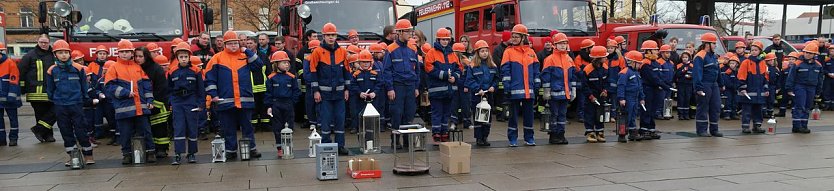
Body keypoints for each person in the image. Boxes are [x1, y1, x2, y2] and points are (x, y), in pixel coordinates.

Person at [205, 31, 264, 160]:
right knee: (228, 127)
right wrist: (213, 95)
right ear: (225, 45)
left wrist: (247, 51)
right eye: (230, 44)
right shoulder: (217, 58)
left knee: (247, 127)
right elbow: (209, 78)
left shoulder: (245, 56)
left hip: (244, 99)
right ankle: (231, 150)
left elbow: (258, 64)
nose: (233, 46)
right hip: (225, 100)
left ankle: (251, 149)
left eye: (235, 43)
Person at [47, 40, 95, 166]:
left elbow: (84, 86)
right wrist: (54, 99)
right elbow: (50, 88)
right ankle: (73, 156)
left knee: (81, 129)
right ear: (55, 55)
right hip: (60, 105)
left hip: (76, 103)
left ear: (70, 54)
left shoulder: (78, 68)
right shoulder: (52, 70)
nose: (63, 55)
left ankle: (88, 155)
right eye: (60, 53)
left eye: (65, 52)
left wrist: (84, 99)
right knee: (65, 130)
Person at [308, 23, 351, 155]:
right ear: (324, 36)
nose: (331, 38)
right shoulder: (317, 52)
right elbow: (313, 72)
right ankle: (326, 145)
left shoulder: (342, 52)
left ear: (336, 36)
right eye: (328, 35)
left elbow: (347, 72)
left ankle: (340, 145)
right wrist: (315, 91)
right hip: (324, 95)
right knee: (325, 121)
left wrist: (347, 89)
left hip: (339, 94)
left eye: (333, 35)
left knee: (340, 119)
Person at [383, 19, 420, 149]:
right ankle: (395, 141)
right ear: (399, 32)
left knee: (409, 114)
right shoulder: (391, 49)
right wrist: (390, 88)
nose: (410, 34)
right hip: (397, 86)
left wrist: (416, 87)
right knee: (396, 114)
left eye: (411, 31)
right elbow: (386, 70)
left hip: (410, 86)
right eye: (407, 31)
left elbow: (417, 70)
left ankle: (406, 141)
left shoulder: (413, 48)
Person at [501, 24, 540, 147]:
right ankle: (512, 138)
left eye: (516, 36)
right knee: (513, 116)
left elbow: (536, 71)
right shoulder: (508, 52)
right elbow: (505, 71)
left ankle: (529, 138)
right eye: (513, 36)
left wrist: (537, 84)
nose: (514, 39)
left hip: (529, 90)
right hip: (514, 90)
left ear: (523, 37)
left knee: (529, 116)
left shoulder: (532, 52)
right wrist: (507, 87)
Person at [167, 42, 203, 165]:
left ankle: (191, 153)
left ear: (189, 57)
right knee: (179, 127)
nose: (183, 59)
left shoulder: (196, 70)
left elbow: (200, 89)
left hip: (191, 100)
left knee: (192, 127)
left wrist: (200, 104)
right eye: (181, 57)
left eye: (185, 57)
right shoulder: (172, 71)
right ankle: (178, 154)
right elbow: (169, 88)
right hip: (178, 101)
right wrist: (171, 102)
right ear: (177, 58)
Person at [424, 28, 461, 143]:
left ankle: (444, 132)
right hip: (437, 90)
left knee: (446, 113)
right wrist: (445, 75)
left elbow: (459, 68)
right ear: (438, 39)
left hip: (450, 90)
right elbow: (429, 68)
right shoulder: (431, 53)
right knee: (437, 112)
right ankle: (436, 133)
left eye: (447, 39)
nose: (445, 41)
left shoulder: (453, 54)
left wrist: (454, 77)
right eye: (443, 39)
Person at [19, 35, 57, 143]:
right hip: (35, 91)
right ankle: (47, 136)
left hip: (51, 90)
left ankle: (39, 130)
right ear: (38, 42)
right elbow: (21, 72)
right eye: (41, 42)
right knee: (40, 114)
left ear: (49, 42)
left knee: (55, 111)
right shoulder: (30, 56)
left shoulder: (53, 55)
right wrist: (22, 87)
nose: (43, 44)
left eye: (45, 42)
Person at [136, 46, 171, 159]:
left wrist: (155, 104)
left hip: (158, 104)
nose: (138, 59)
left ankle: (162, 149)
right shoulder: (136, 68)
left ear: (146, 56)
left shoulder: (156, 69)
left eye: (140, 56)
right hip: (142, 104)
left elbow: (162, 88)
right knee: (147, 129)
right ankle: (150, 149)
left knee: (159, 128)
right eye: (136, 56)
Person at [265, 51, 301, 158]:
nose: (287, 64)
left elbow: (296, 91)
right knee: (277, 127)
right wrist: (269, 106)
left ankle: (288, 146)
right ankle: (279, 148)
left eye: (287, 63)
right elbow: (268, 93)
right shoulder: (271, 78)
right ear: (276, 64)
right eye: (284, 62)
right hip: (276, 104)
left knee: (289, 127)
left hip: (288, 104)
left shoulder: (291, 77)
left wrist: (292, 102)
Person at [541, 33, 574, 145]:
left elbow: (572, 76)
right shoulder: (549, 59)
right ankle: (553, 135)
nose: (563, 45)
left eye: (565, 43)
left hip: (565, 93)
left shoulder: (569, 59)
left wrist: (573, 90)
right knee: (554, 114)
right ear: (555, 45)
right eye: (560, 43)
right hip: (554, 93)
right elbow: (546, 76)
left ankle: (561, 134)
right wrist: (547, 92)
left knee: (562, 115)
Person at [786, 43, 825, 134]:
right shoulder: (798, 64)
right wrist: (789, 89)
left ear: (814, 55)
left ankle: (804, 125)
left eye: (810, 53)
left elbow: (820, 80)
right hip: (800, 86)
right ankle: (796, 126)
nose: (807, 54)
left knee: (807, 107)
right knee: (800, 106)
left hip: (811, 88)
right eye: (806, 52)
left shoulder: (818, 66)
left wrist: (818, 91)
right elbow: (791, 77)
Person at [692, 33, 725, 137]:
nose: (715, 46)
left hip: (714, 84)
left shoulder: (714, 56)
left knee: (716, 106)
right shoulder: (700, 56)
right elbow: (697, 73)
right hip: (704, 84)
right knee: (703, 107)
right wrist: (699, 88)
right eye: (714, 43)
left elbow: (718, 71)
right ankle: (701, 130)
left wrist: (721, 83)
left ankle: (714, 129)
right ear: (707, 44)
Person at [466, 40, 497, 146]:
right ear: (477, 53)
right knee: (478, 118)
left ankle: (485, 137)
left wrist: (493, 86)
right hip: (477, 96)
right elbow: (469, 80)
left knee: (487, 118)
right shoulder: (473, 66)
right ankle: (479, 138)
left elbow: (496, 79)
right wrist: (477, 89)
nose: (484, 53)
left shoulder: (492, 65)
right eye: (482, 51)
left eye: (486, 51)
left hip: (488, 95)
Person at [350, 50, 383, 143]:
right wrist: (359, 93)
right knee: (360, 121)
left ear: (371, 62)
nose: (365, 64)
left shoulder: (375, 73)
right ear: (359, 62)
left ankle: (372, 141)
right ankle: (361, 142)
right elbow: (353, 85)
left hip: (373, 101)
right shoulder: (356, 74)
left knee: (372, 122)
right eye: (363, 62)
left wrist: (375, 93)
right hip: (360, 101)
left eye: (367, 62)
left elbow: (380, 84)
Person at [738, 42, 771, 134]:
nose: (753, 52)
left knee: (758, 110)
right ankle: (745, 126)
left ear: (760, 51)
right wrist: (742, 88)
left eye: (756, 50)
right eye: (752, 50)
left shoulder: (763, 63)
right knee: (747, 111)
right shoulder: (746, 62)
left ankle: (757, 126)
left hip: (759, 92)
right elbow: (741, 76)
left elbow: (765, 77)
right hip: (748, 92)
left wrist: (766, 89)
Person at [638, 40, 668, 140]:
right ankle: (644, 130)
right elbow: (653, 78)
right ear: (649, 51)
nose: (657, 51)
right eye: (655, 50)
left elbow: (659, 76)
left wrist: (662, 84)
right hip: (648, 89)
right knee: (647, 109)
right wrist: (664, 85)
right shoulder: (646, 63)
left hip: (655, 89)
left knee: (652, 110)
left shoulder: (655, 62)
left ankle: (651, 129)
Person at [580, 46, 610, 143]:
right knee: (590, 114)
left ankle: (599, 131)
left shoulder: (605, 68)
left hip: (601, 96)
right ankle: (590, 132)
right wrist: (590, 96)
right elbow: (584, 85)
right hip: (590, 97)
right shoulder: (587, 70)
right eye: (604, 56)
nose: (606, 58)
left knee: (600, 114)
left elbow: (607, 81)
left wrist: (605, 90)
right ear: (598, 58)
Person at [618, 51, 646, 142]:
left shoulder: (637, 73)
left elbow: (640, 87)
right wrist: (621, 98)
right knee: (625, 117)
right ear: (633, 62)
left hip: (635, 98)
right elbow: (621, 86)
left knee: (633, 116)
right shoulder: (625, 72)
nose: (639, 65)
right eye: (638, 63)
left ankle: (632, 133)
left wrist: (642, 98)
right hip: (628, 98)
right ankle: (622, 135)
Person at [0, 42, 21, 147]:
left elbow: (14, 80)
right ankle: (1, 140)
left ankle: (13, 139)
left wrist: (11, 96)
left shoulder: (10, 63)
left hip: (10, 99)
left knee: (13, 120)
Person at [451, 42, 472, 130]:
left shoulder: (467, 63)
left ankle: (467, 122)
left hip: (464, 87)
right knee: (454, 105)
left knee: (466, 105)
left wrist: (467, 86)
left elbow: (469, 76)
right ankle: (454, 122)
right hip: (455, 86)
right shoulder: (452, 61)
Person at [573, 39, 595, 122]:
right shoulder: (579, 58)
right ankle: (581, 116)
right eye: (592, 47)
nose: (593, 48)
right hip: (581, 83)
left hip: (590, 83)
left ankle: (587, 115)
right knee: (582, 101)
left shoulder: (592, 57)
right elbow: (578, 71)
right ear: (587, 48)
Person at [302, 40, 321, 130]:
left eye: (315, 48)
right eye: (312, 49)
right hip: (310, 86)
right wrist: (313, 82)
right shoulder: (307, 59)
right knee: (310, 104)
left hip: (320, 85)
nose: (314, 50)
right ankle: (312, 122)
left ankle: (320, 122)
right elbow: (306, 73)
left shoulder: (322, 58)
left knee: (320, 105)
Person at [492, 31, 511, 122]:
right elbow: (498, 62)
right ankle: (499, 115)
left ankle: (506, 114)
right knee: (500, 96)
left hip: (508, 76)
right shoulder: (497, 50)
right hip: (500, 76)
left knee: (506, 97)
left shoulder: (510, 48)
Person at [607, 40, 625, 122]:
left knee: (614, 101)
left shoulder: (620, 59)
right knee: (606, 100)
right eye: (608, 48)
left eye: (611, 48)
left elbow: (622, 71)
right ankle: (606, 115)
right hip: (606, 83)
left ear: (615, 48)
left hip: (615, 83)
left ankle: (613, 116)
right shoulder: (605, 58)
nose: (610, 50)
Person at [658, 45, 676, 120]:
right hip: (662, 84)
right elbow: (658, 74)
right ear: (662, 53)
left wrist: (673, 82)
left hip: (669, 84)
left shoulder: (671, 63)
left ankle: (667, 113)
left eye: (669, 53)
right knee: (660, 99)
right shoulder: (659, 62)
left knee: (668, 99)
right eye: (666, 53)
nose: (668, 54)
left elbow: (673, 73)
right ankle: (658, 113)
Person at [675, 52, 695, 120]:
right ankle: (680, 114)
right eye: (683, 57)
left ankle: (686, 114)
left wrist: (690, 76)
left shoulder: (692, 65)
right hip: (681, 84)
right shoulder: (679, 65)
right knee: (681, 99)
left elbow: (695, 74)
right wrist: (683, 71)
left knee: (687, 99)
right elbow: (676, 75)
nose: (685, 59)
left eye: (686, 57)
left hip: (689, 84)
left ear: (689, 58)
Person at [722, 55, 740, 121]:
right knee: (728, 102)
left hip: (735, 90)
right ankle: (727, 115)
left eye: (733, 63)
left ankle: (734, 114)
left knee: (735, 102)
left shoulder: (738, 72)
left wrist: (737, 86)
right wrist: (733, 86)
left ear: (737, 64)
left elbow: (739, 80)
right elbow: (726, 81)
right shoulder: (728, 72)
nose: (731, 65)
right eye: (730, 63)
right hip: (728, 90)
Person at [823, 45, 834, 110]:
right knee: (827, 91)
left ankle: (833, 106)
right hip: (828, 78)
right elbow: (823, 69)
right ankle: (827, 105)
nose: (833, 52)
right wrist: (828, 73)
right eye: (832, 51)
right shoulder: (826, 60)